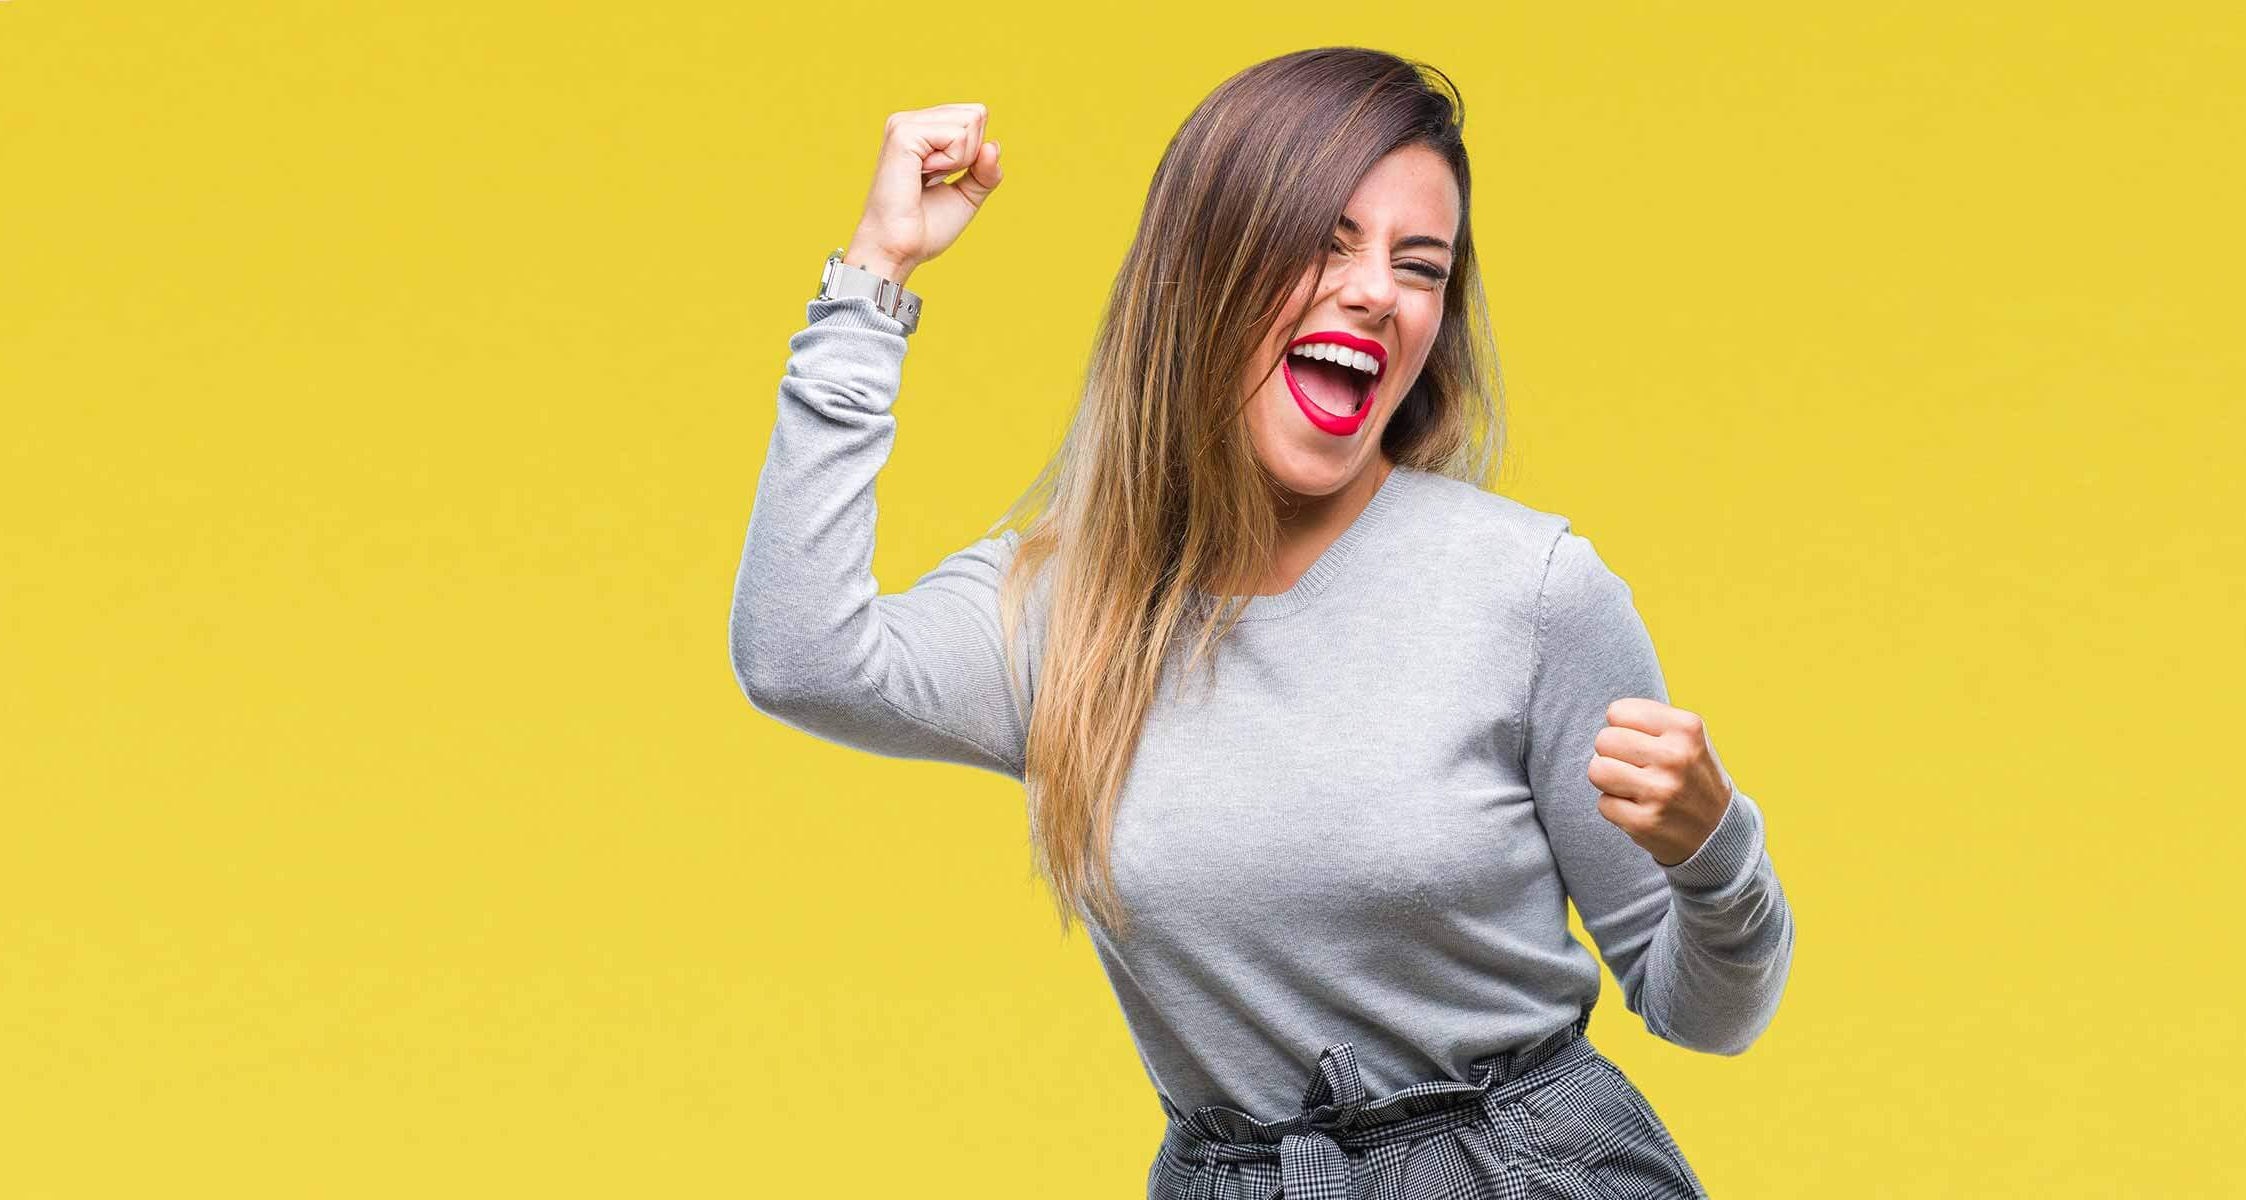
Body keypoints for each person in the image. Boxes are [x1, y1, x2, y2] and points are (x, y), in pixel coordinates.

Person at [728, 47, 1792, 1200]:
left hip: (1527, 1169)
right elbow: (800, 659)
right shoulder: (1067, 616)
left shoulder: (1530, 591)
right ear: (1205, 269)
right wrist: (874, 279)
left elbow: (1706, 1014)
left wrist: (1712, 850)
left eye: (1418, 265)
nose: (1378, 290)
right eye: (1327, 241)